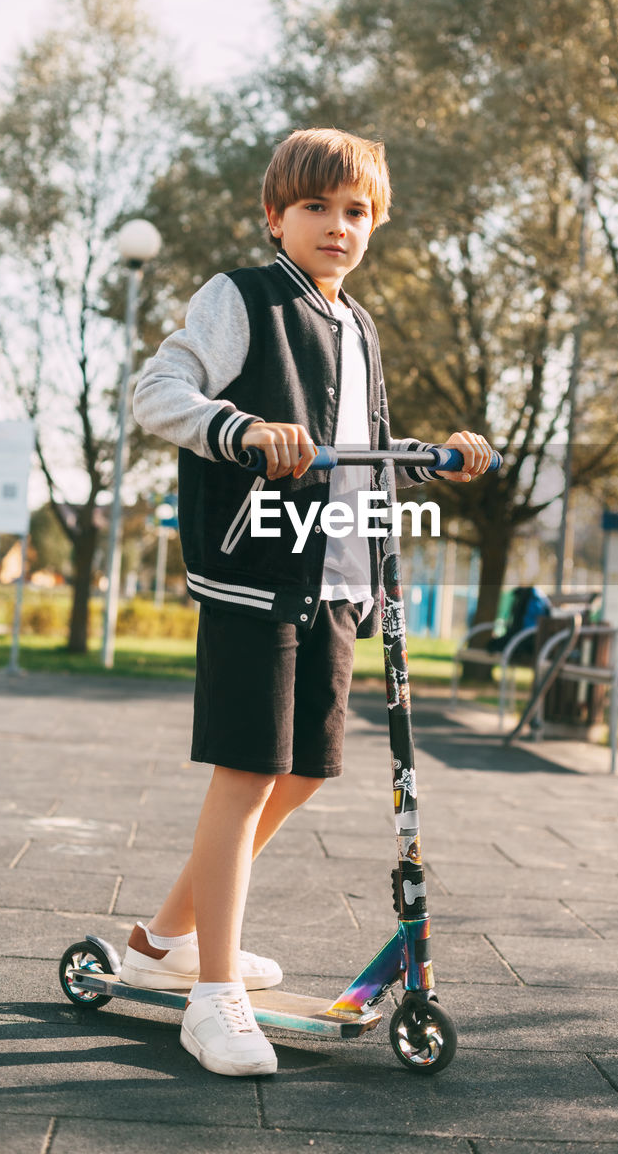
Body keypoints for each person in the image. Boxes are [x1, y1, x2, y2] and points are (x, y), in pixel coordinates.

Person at [126, 127, 494, 1077]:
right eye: (317, 209)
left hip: (332, 576)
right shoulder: (241, 299)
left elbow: (352, 445)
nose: (338, 227)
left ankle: (169, 937)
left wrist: (435, 456)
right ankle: (211, 995)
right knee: (246, 772)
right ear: (275, 217)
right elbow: (155, 392)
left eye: (356, 212)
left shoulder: (357, 324)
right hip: (256, 573)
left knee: (304, 769)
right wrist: (239, 429)